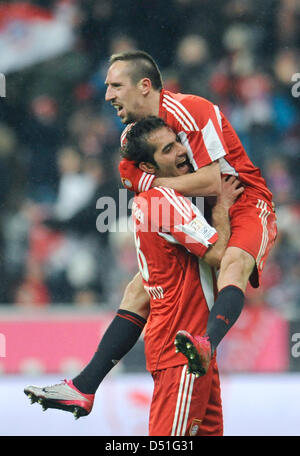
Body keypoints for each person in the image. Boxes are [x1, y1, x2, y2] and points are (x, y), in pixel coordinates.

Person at [25, 116, 243, 435]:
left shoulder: (148, 201)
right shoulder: (164, 201)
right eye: (167, 149)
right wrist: (222, 208)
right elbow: (218, 256)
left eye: (177, 141)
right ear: (150, 168)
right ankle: (84, 385)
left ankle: (84, 385)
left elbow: (143, 288)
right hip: (181, 353)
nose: (181, 151)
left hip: (186, 356)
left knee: (135, 289)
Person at [104, 49, 277, 362]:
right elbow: (144, 188)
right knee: (139, 288)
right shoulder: (134, 137)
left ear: (144, 85)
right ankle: (85, 386)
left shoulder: (191, 110)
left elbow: (213, 182)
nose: (107, 95)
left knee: (232, 265)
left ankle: (205, 344)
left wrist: (156, 184)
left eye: (115, 86)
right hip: (199, 212)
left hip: (243, 199)